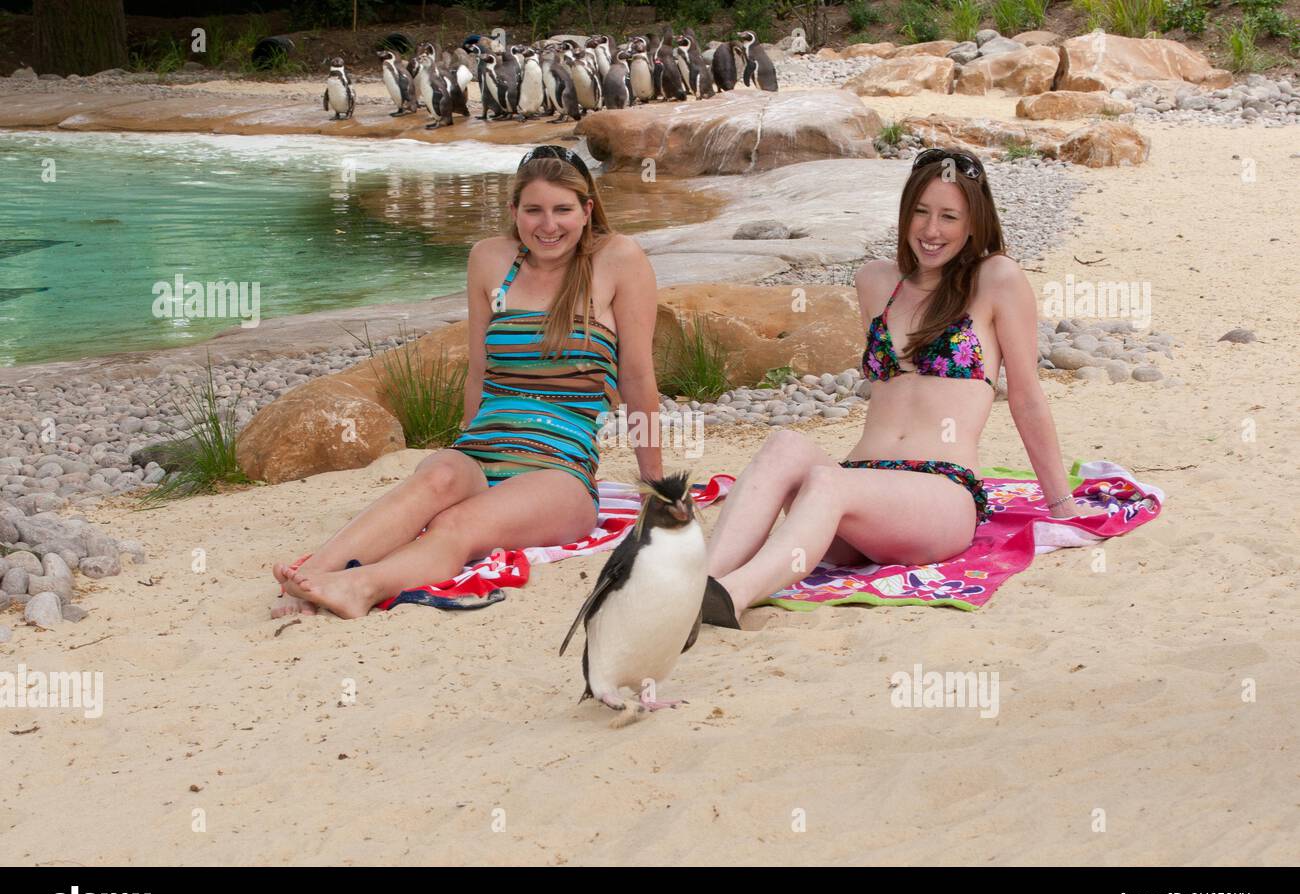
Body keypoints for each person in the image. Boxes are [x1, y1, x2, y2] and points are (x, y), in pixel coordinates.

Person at [701, 148, 1097, 629]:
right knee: (785, 445)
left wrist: (1062, 504)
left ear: (974, 222)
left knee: (827, 482)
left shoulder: (996, 279)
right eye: (921, 213)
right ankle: (696, 583)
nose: (932, 231)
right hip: (861, 498)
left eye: (949, 217)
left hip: (937, 496)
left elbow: (1027, 395)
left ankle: (730, 597)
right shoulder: (875, 281)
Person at [273, 146, 663, 619]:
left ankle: (360, 587)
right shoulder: (489, 258)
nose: (548, 225)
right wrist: (461, 451)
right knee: (434, 480)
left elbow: (638, 379)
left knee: (456, 523)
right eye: (533, 210)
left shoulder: (619, 260)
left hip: (558, 467)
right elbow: (478, 367)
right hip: (483, 445)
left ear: (586, 211)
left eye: (562, 210)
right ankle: (308, 579)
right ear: (512, 210)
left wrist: (656, 489)